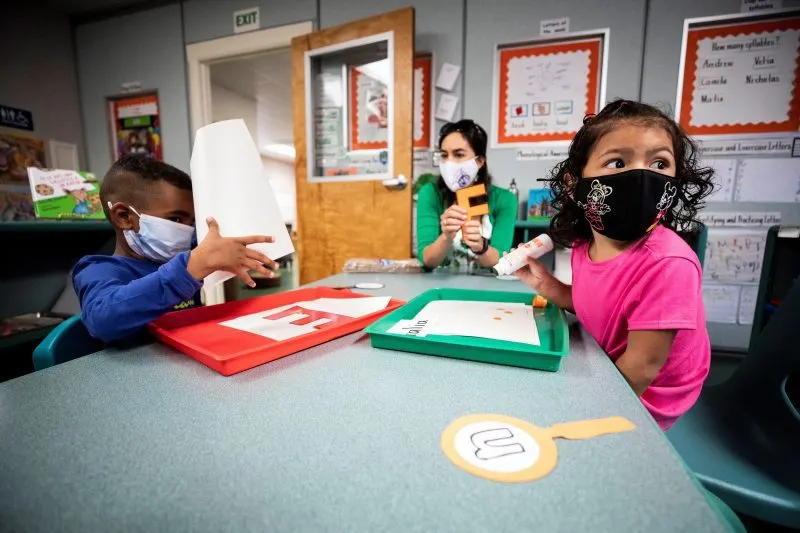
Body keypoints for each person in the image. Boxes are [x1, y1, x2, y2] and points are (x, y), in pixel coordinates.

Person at [515, 100, 714, 430]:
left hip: (648, 399)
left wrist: (580, 420)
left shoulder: (669, 264)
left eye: (660, 162)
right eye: (617, 161)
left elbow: (642, 367)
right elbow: (595, 305)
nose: (641, 176)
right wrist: (544, 284)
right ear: (573, 185)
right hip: (606, 366)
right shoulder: (584, 244)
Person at [73, 155, 277, 343]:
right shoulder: (98, 269)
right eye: (176, 219)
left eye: (191, 222)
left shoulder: (180, 254)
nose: (185, 230)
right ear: (124, 217)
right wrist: (192, 266)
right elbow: (102, 321)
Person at [416, 120, 517, 269]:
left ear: (480, 161)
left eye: (458, 154)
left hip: (486, 287)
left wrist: (481, 247)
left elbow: (500, 261)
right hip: (441, 287)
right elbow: (427, 261)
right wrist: (446, 237)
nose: (449, 162)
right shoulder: (430, 194)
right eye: (444, 155)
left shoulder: (504, 200)